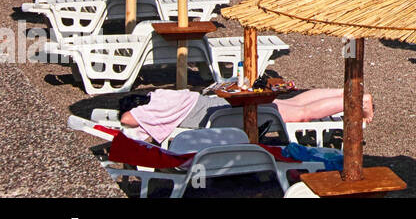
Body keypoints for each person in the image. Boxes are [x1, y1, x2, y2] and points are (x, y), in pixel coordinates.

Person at [117, 88, 374, 145]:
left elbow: (128, 119)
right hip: (226, 105)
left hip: (233, 113)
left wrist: (123, 114)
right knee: (294, 102)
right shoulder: (164, 96)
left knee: (302, 114)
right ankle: (352, 91)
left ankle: (357, 100)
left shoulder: (151, 109)